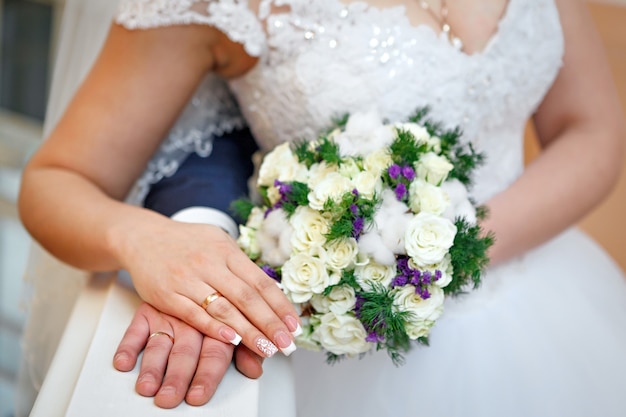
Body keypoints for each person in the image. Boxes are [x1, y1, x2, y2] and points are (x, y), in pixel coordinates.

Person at [17, 0, 626, 416]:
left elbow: (591, 128)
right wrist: (143, 239)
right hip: (335, 354)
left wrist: (439, 250)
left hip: (543, 290)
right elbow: (56, 179)